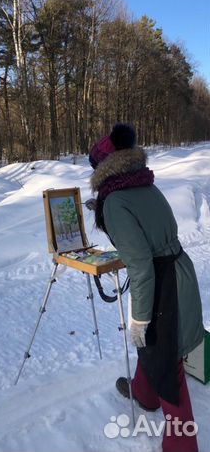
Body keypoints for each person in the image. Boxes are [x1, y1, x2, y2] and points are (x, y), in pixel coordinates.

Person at [89, 123, 204, 452]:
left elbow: (140, 265)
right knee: (154, 348)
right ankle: (144, 394)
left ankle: (182, 446)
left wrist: (139, 318)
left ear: (103, 170)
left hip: (162, 286)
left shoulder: (114, 202)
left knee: (168, 364)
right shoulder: (145, 185)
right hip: (179, 273)